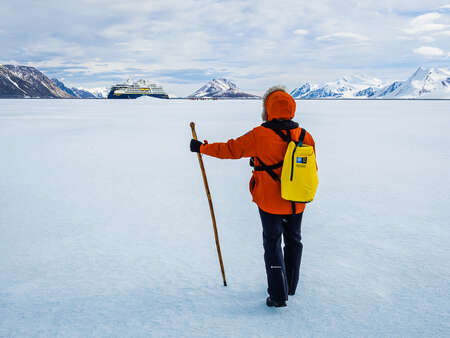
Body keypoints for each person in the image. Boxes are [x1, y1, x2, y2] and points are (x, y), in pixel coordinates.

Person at [190, 86, 316, 308]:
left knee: (272, 243)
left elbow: (230, 149)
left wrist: (202, 148)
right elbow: (305, 168)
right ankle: (291, 285)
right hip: (297, 201)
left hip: (270, 202)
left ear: (268, 110)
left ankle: (278, 295)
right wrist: (261, 163)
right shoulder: (305, 136)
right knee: (294, 240)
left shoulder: (261, 135)